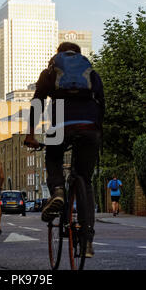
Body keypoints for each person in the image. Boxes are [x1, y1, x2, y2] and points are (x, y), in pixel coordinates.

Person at [25, 42, 105, 258]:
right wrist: (97, 133)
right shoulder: (91, 73)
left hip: (61, 125)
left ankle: (58, 190)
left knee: (53, 157)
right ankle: (87, 241)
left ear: (59, 54)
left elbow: (38, 103)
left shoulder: (50, 72)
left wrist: (30, 135)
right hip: (90, 127)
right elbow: (101, 103)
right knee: (85, 181)